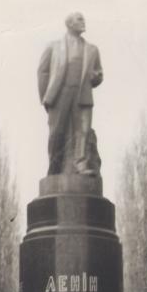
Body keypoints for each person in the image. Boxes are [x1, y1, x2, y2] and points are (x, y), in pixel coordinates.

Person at [37, 12, 103, 175]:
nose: (83, 22)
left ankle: (80, 163)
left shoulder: (92, 49)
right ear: (69, 24)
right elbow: (42, 72)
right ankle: (54, 165)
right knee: (56, 131)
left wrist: (95, 77)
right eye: (80, 19)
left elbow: (99, 73)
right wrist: (46, 97)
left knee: (83, 131)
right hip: (60, 94)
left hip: (83, 95)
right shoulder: (53, 46)